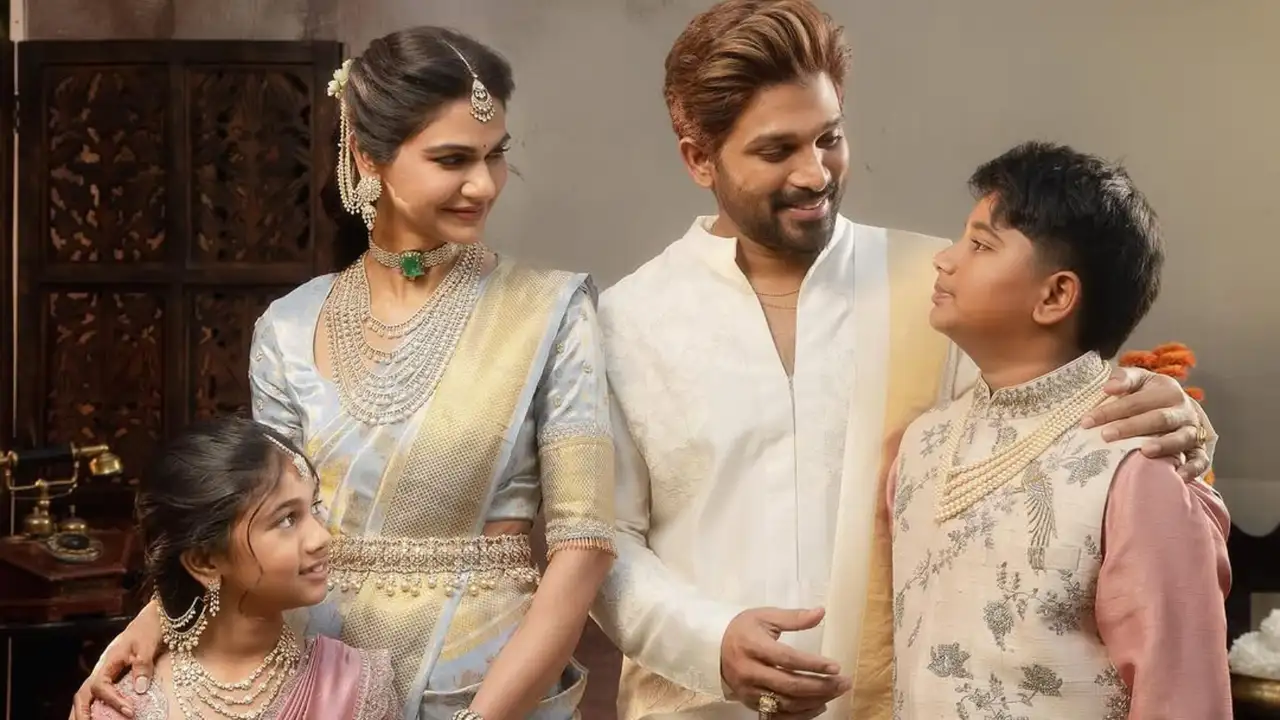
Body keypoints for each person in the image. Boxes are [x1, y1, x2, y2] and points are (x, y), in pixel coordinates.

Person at [589, 2, 1220, 719]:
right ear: (699, 158)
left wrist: (1176, 417)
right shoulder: (628, 321)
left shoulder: (937, 286)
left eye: (829, 138)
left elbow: (1055, 428)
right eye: (776, 151)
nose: (814, 173)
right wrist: (710, 643)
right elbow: (603, 540)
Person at [73, 26, 616, 720]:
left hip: (484, 680)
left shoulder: (550, 312)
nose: (483, 184)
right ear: (367, 156)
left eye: (495, 155)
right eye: (452, 159)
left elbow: (584, 548)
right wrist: (155, 618)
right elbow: (253, 514)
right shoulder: (290, 327)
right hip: (316, 683)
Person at [887, 141, 1232, 718]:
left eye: (980, 244)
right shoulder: (922, 443)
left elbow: (1182, 696)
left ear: (1055, 295)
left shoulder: (1133, 456)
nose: (944, 259)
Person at [91, 417, 398, 720]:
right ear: (205, 561)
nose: (321, 538)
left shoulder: (354, 688)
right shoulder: (127, 706)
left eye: (314, 507)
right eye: (287, 519)